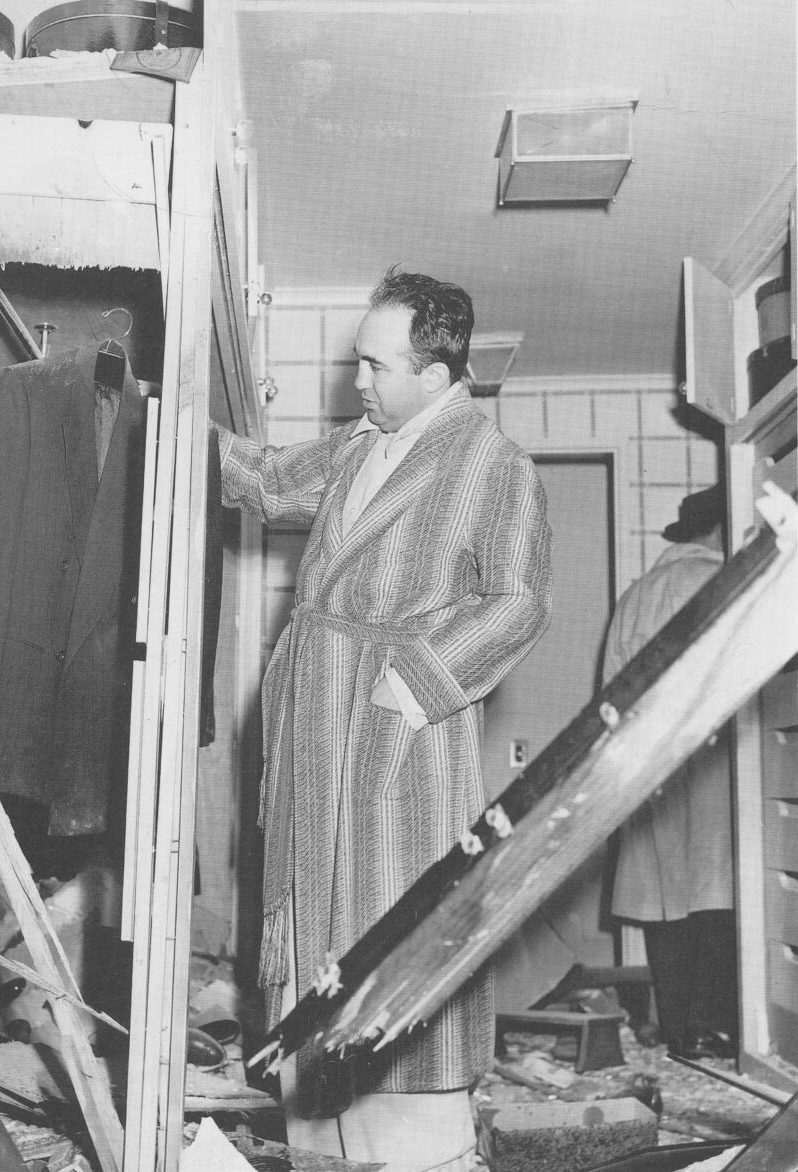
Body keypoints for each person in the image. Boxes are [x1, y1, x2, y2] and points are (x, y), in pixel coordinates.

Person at [216, 269, 553, 1170]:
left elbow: (517, 602)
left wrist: (413, 689)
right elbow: (270, 484)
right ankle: (322, 1145)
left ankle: (421, 1153)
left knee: (394, 923)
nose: (355, 380)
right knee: (312, 920)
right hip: (313, 712)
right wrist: (166, 424)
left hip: (399, 732)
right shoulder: (364, 441)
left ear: (436, 375)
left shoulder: (495, 465)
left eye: (372, 364)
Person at [604, 484, 738, 1059]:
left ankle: (681, 1033)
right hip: (708, 759)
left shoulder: (636, 595)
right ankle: (719, 1031)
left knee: (664, 902)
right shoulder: (718, 580)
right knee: (716, 896)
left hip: (646, 765)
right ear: (721, 530)